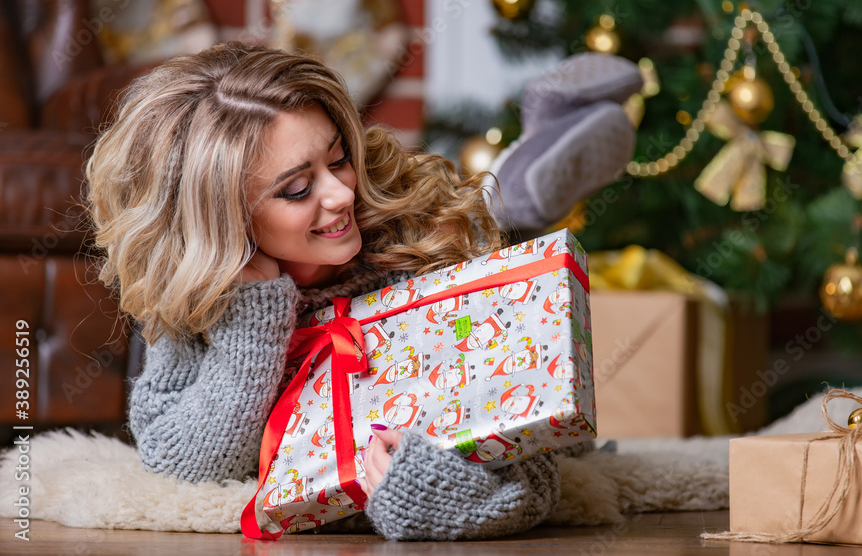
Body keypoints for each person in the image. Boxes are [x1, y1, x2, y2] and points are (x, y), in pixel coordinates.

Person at [84, 42, 563, 541]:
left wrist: (424, 495)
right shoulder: (202, 296)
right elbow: (182, 464)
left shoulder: (423, 256)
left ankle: (529, 187)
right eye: (296, 189)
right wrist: (256, 313)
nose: (341, 194)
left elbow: (537, 477)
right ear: (220, 221)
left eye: (338, 160)